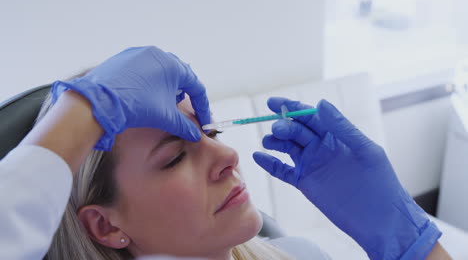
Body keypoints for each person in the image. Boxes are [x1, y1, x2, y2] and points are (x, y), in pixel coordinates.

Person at [0, 45, 451, 259]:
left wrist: (407, 240)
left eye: (211, 133)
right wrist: (82, 111)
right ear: (105, 224)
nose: (227, 159)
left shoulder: (301, 255)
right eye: (174, 157)